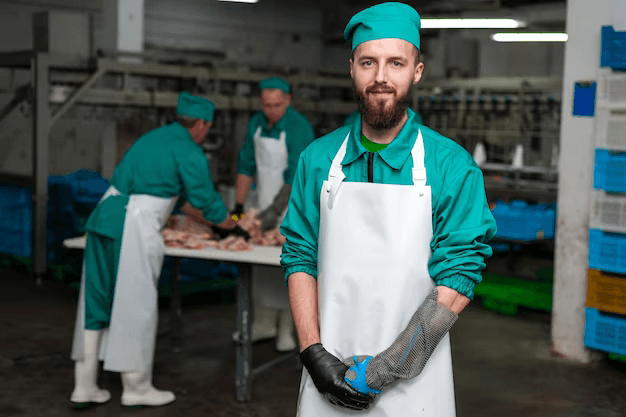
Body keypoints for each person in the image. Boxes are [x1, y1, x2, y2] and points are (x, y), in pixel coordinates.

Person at [280, 2, 497, 416]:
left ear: (416, 70)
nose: (381, 77)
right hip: (329, 367)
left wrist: (384, 369)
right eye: (368, 62)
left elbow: (458, 280)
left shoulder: (451, 167)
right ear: (351, 68)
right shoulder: (317, 159)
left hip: (413, 378)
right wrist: (312, 353)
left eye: (395, 63)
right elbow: (299, 259)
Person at [69, 92, 246, 408]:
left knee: (95, 302)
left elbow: (182, 201)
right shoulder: (188, 149)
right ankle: (136, 387)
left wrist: (213, 223)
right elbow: (203, 197)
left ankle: (84, 387)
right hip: (133, 224)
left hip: (103, 217)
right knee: (136, 304)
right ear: (202, 124)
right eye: (207, 127)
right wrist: (231, 223)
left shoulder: (153, 139)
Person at [232, 77, 315, 352]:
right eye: (266, 105)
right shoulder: (256, 123)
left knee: (286, 266)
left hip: (291, 206)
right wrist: (238, 208)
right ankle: (263, 323)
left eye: (277, 105)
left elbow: (296, 177)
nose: (271, 111)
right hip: (262, 201)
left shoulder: (298, 127)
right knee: (258, 265)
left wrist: (273, 214)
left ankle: (286, 329)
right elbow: (245, 164)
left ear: (288, 100)